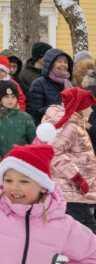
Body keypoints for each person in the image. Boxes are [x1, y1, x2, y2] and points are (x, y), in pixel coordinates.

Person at [36, 87, 96, 234]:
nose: (92, 111)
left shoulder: (73, 123)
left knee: (79, 232)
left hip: (73, 189)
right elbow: (53, 152)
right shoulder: (70, 126)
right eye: (89, 107)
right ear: (80, 107)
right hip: (69, 188)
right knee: (86, 231)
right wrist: (76, 177)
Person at [0, 80, 37, 156]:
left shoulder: (26, 118)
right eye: (6, 97)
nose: (10, 100)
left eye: (13, 97)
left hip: (20, 161)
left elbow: (34, 142)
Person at [27, 48, 74, 124]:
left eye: (65, 62)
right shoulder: (39, 84)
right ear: (50, 64)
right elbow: (34, 111)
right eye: (59, 61)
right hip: (47, 128)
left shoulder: (70, 84)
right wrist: (57, 110)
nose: (63, 65)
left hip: (68, 127)